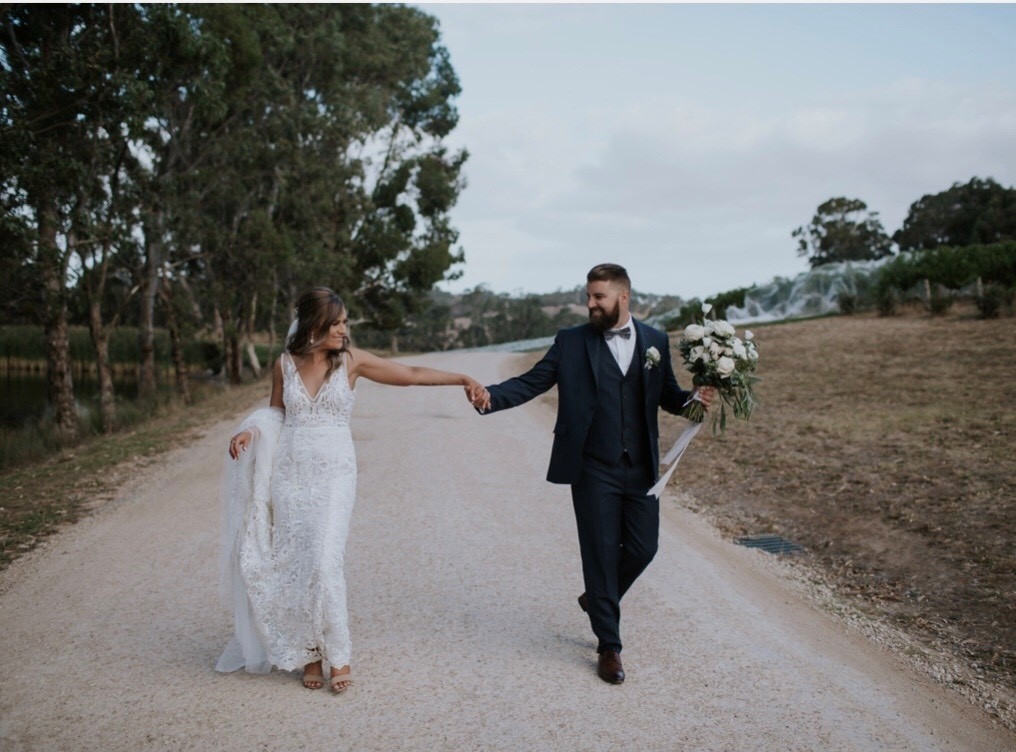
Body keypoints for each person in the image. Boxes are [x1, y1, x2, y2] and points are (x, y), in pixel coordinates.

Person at [217, 286, 486, 693]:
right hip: (290, 475)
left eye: (345, 323)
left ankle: (338, 653)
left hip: (335, 475)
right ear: (314, 325)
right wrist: (250, 432)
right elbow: (276, 415)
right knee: (297, 563)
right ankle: (310, 653)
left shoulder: (351, 362)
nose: (344, 330)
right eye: (337, 323)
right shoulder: (284, 365)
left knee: (325, 560)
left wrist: (461, 378)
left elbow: (410, 375)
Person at [470, 263, 714, 685]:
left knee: (644, 548)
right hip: (591, 465)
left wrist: (695, 398)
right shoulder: (571, 341)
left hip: (641, 466)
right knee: (600, 553)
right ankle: (609, 646)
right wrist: (490, 396)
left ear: (623, 297)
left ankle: (597, 597)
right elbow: (533, 381)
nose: (591, 304)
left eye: (598, 296)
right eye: (588, 296)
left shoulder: (655, 341)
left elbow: (668, 396)